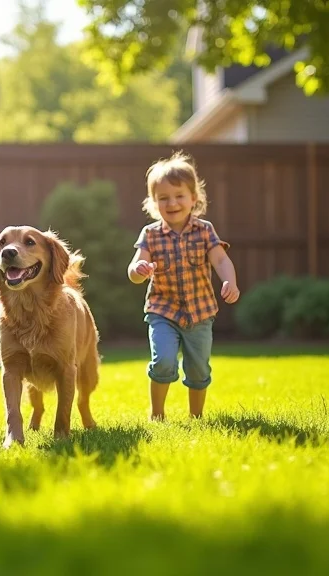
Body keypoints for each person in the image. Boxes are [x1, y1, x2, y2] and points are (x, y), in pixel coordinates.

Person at [126, 151, 240, 421]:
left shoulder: (204, 230)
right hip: (162, 312)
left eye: (179, 196)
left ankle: (196, 417)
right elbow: (134, 269)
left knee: (199, 369)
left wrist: (229, 281)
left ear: (194, 198)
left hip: (200, 313)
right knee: (163, 362)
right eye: (163, 198)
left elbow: (221, 259)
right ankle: (157, 415)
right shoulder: (150, 235)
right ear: (153, 203)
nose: (172, 203)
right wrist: (139, 271)